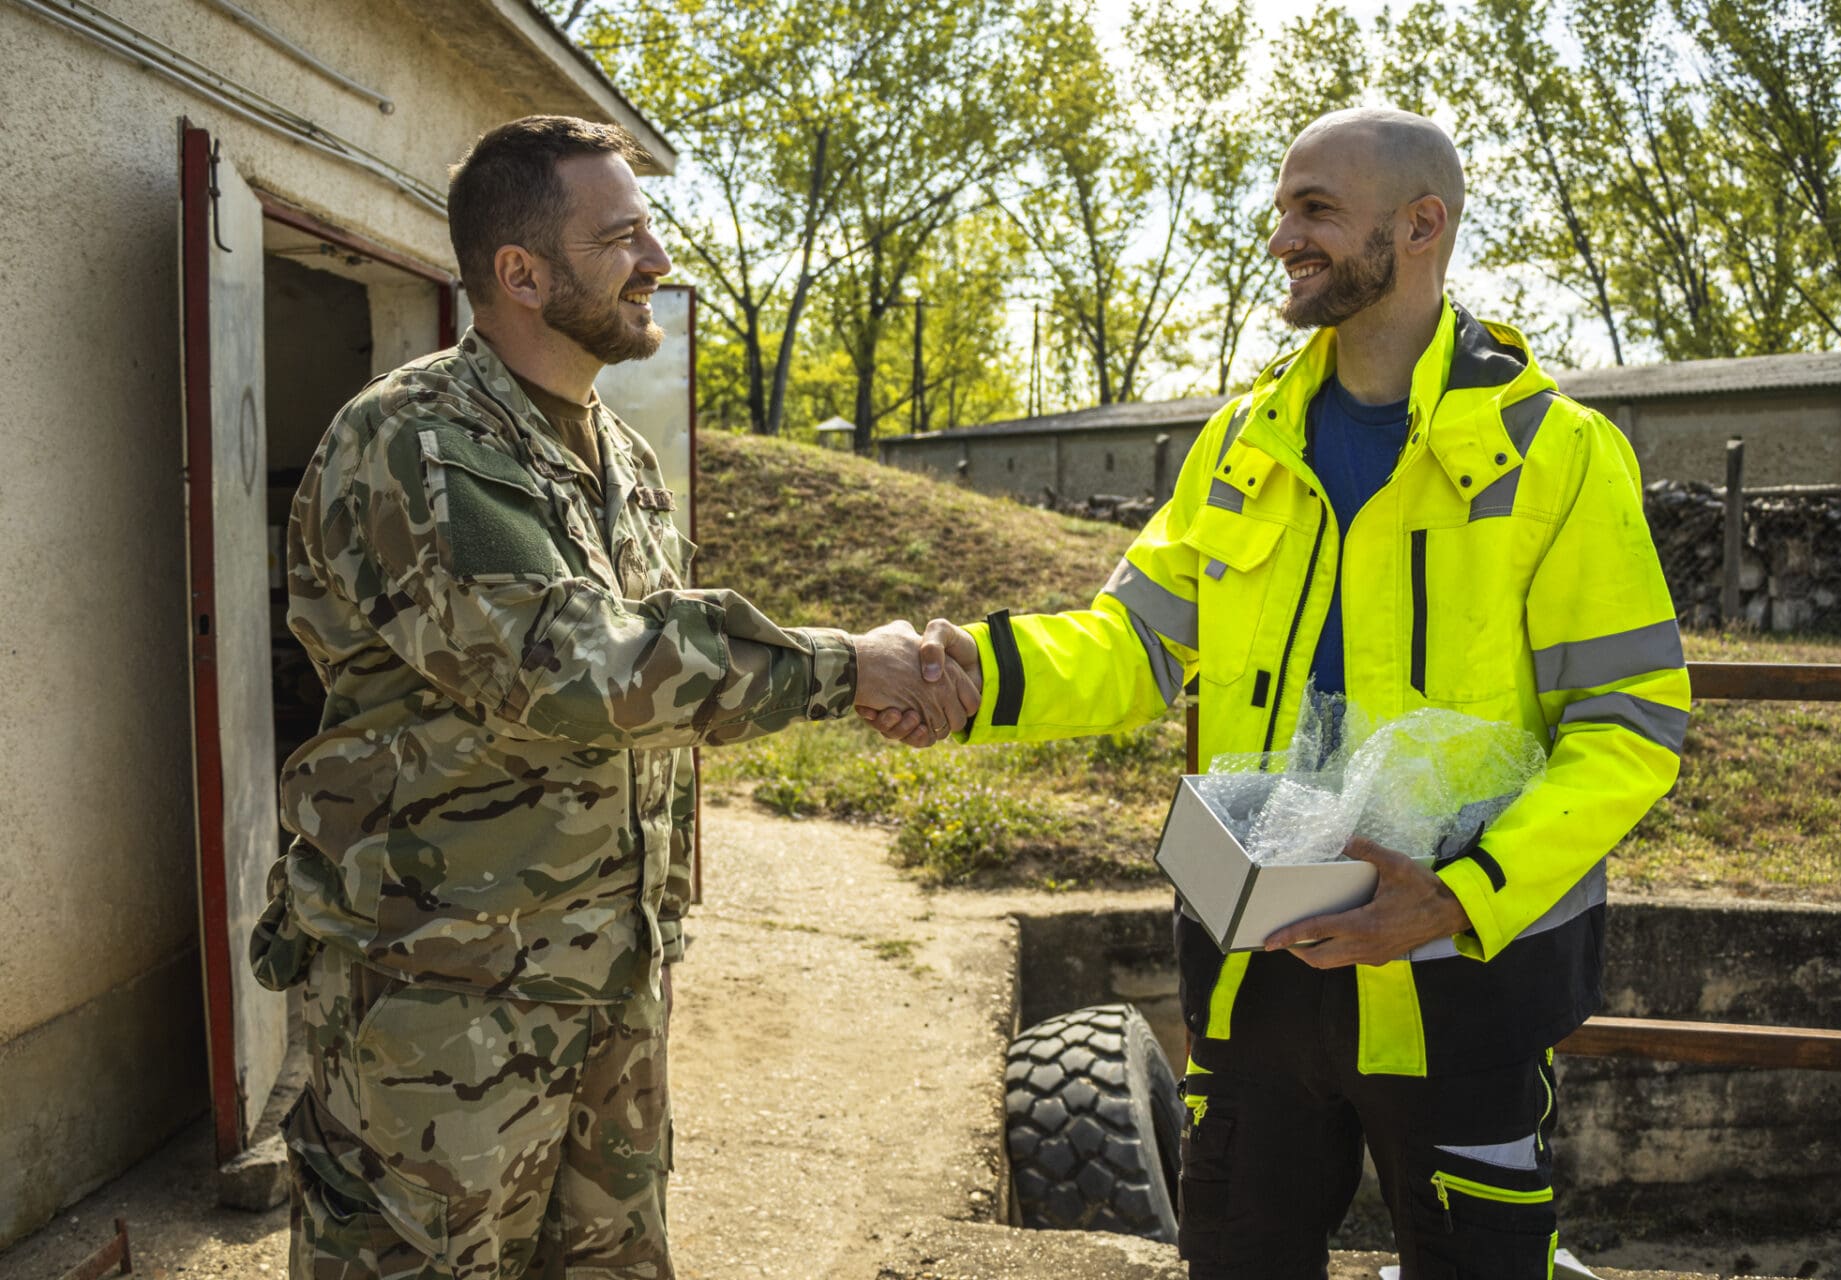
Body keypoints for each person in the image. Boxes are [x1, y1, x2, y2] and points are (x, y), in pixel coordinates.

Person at [886, 108, 1690, 1277]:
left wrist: (1460, 896)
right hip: (1256, 958)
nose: (1283, 238)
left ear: (1423, 225)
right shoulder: (1242, 439)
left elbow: (1630, 724)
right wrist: (982, 674)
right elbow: (1136, 644)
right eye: (1282, 208)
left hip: (1459, 977)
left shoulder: (1557, 453)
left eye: (1315, 208)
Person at [248, 115, 978, 1279]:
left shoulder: (620, 458)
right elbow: (572, 668)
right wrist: (848, 668)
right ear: (522, 274)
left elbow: (664, 688)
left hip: (610, 982)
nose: (658, 260)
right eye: (624, 236)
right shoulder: (414, 440)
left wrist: (852, 680)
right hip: (440, 1005)